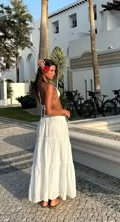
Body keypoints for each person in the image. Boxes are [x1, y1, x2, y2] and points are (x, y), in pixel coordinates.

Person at [28, 59, 76, 208]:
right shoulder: (48, 87)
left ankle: (44, 197)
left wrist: (42, 67)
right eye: (52, 70)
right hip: (55, 123)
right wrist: (64, 111)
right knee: (56, 158)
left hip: (45, 125)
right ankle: (53, 197)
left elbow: (43, 110)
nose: (54, 73)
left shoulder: (38, 85)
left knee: (46, 158)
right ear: (45, 70)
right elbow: (49, 110)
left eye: (55, 71)